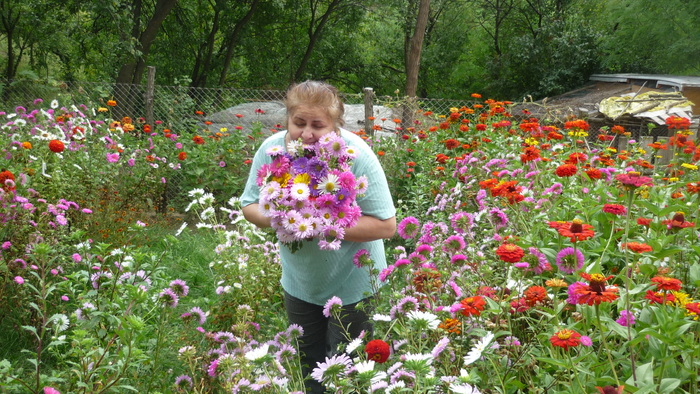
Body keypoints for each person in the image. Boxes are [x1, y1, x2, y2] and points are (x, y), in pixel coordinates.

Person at [240, 80, 396, 393]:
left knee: (349, 374)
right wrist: (279, 216)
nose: (307, 133)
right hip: (301, 284)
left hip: (357, 285)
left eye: (317, 125)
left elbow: (386, 225)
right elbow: (249, 205)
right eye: (299, 123)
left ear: (336, 126)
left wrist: (319, 224)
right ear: (287, 119)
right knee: (309, 368)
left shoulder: (356, 155)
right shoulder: (272, 152)